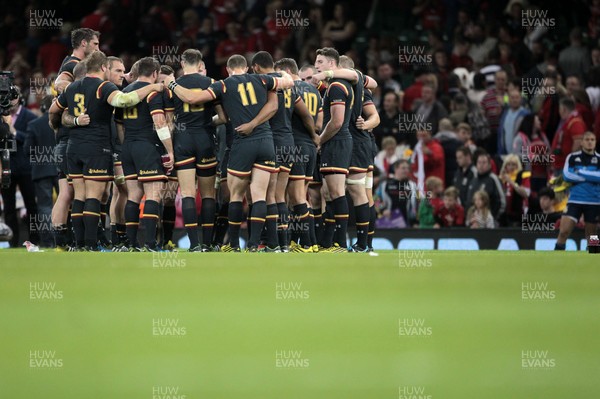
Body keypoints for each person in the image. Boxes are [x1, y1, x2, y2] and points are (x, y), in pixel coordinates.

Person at [163, 54, 294, 252]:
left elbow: (192, 97)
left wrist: (171, 84)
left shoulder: (223, 85)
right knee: (260, 195)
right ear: (248, 68)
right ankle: (254, 245)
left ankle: (227, 245)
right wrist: (283, 72)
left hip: (240, 143)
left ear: (228, 69)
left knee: (234, 195)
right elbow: (285, 88)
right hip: (266, 140)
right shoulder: (262, 80)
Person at [49, 51, 165, 251]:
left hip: (73, 147)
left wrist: (71, 123)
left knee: (79, 196)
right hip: (96, 147)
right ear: (103, 68)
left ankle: (79, 245)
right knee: (94, 196)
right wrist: (153, 86)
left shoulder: (72, 87)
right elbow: (124, 101)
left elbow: (54, 111)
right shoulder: (104, 86)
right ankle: (92, 245)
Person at [166, 49, 224, 252]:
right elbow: (223, 117)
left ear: (182, 63)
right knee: (208, 194)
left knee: (188, 193)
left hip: (183, 140)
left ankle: (194, 245)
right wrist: (208, 123)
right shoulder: (211, 83)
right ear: (200, 64)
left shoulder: (173, 86)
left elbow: (169, 122)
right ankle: (207, 244)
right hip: (205, 139)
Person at [114, 57, 174, 252]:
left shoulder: (124, 92)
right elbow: (159, 122)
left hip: (128, 147)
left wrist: (127, 146)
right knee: (153, 195)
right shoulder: (153, 93)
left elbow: (119, 127)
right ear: (155, 74)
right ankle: (149, 244)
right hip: (147, 146)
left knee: (133, 194)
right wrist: (170, 150)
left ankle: (130, 244)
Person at [274, 58, 322, 253]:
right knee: (303, 197)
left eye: (278, 72)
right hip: (309, 147)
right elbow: (318, 122)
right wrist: (314, 136)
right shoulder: (315, 91)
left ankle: (308, 244)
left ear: (286, 70)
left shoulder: (288, 89)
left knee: (295, 197)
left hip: (294, 146)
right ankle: (302, 242)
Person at [0, 88, 39, 247]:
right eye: (7, 98)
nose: (11, 101)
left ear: (20, 98)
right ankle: (13, 243)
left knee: (32, 206)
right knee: (9, 209)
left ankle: (35, 240)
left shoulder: (29, 116)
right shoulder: (1, 117)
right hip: (6, 167)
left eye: (13, 97)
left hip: (26, 168)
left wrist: (14, 132)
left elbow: (32, 141)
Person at [555, 132, 600, 250]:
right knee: (563, 232)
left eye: (592, 139)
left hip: (594, 201)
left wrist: (579, 172)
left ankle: (594, 261)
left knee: (593, 236)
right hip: (575, 200)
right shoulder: (572, 157)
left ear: (595, 142)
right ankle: (555, 260)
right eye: (587, 139)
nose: (590, 142)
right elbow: (566, 175)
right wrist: (591, 177)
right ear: (582, 142)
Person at [24, 96, 58, 247]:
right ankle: (66, 239)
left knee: (45, 206)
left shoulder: (34, 124)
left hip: (41, 170)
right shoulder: (62, 123)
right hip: (61, 169)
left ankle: (48, 242)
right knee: (66, 203)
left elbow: (27, 150)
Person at [54, 28, 100, 94]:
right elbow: (58, 84)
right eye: (95, 44)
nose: (97, 49)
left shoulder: (73, 62)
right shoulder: (72, 64)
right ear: (84, 43)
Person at [465, 152, 506, 221]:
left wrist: (493, 218)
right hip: (474, 221)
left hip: (489, 222)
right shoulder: (473, 180)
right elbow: (469, 201)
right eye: (479, 162)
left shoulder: (493, 179)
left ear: (489, 165)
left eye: (484, 163)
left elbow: (502, 202)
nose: (481, 165)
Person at [551, 97, 586, 175]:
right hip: (560, 165)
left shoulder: (575, 122)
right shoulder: (567, 122)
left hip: (566, 167)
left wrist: (570, 162)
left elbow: (578, 142)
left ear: (564, 109)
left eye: (559, 109)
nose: (559, 112)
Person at [378, 160, 417, 229]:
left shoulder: (412, 185)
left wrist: (415, 221)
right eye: (403, 168)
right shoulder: (385, 184)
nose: (406, 170)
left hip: (408, 224)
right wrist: (383, 210)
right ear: (395, 169)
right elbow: (376, 200)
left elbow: (417, 203)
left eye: (408, 168)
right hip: (389, 223)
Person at [498, 154, 531, 227]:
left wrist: (511, 182)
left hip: (519, 215)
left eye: (513, 164)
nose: (511, 167)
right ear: (505, 166)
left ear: (518, 165)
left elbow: (526, 194)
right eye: (508, 164)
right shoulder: (501, 178)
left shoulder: (523, 175)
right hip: (504, 215)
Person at [498, 88, 530, 155]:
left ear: (520, 99)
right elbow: (501, 134)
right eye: (512, 98)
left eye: (517, 97)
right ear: (509, 99)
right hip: (506, 154)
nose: (515, 100)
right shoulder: (505, 114)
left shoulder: (526, 114)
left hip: (520, 154)